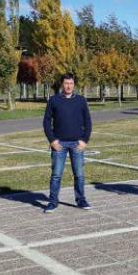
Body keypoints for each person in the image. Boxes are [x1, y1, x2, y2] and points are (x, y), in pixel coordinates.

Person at [42, 72, 92, 213]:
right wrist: (52, 140)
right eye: (66, 83)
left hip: (77, 144)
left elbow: (88, 122)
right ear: (62, 84)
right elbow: (46, 122)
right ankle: (52, 202)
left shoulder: (81, 100)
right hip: (59, 145)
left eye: (71, 83)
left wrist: (84, 140)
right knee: (56, 175)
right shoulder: (54, 100)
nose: (68, 86)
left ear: (74, 84)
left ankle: (81, 200)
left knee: (79, 174)